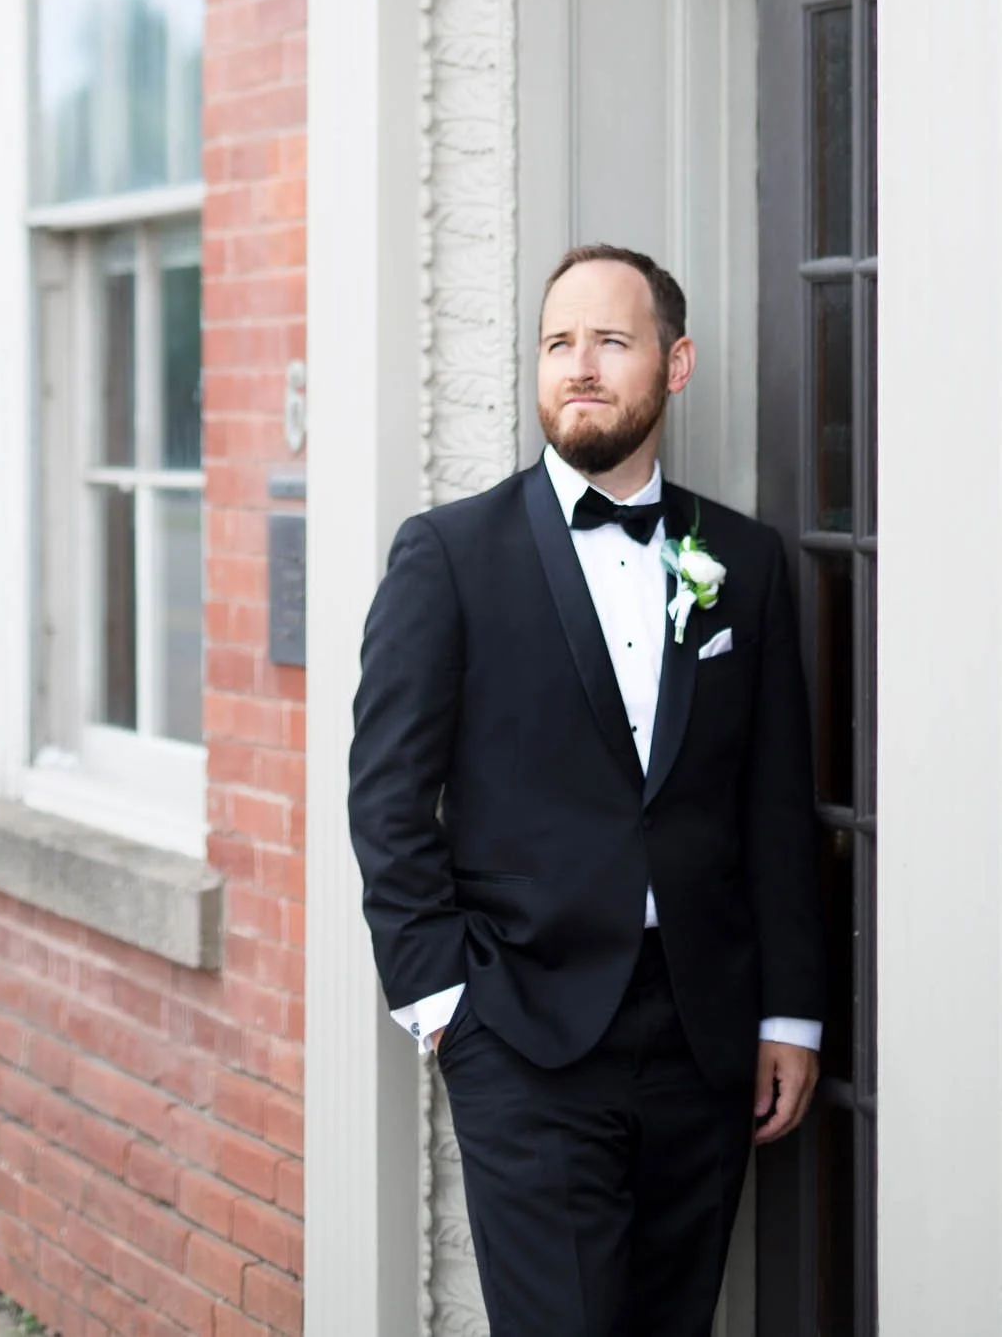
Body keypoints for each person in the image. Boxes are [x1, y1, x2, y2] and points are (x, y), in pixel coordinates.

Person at [348, 242, 824, 1337]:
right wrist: (441, 1006)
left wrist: (787, 1010)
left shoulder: (740, 561)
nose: (578, 366)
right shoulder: (449, 555)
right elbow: (385, 796)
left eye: (610, 341)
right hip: (521, 1028)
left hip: (703, 1034)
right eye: (558, 343)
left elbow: (771, 801)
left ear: (675, 362)